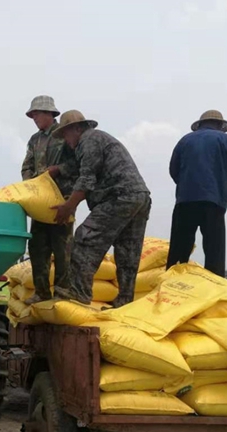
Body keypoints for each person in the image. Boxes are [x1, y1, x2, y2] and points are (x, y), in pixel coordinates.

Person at [48, 110, 151, 308]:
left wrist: (68, 207)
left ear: (76, 129)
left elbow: (86, 179)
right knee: (128, 252)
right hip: (139, 196)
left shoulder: (88, 139)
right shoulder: (97, 140)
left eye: (65, 135)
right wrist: (58, 169)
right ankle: (124, 301)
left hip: (118, 197)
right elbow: (79, 166)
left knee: (85, 238)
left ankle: (79, 293)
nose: (66, 141)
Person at [166, 110, 227, 277]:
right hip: (214, 202)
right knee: (214, 252)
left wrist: (188, 185)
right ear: (220, 125)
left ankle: (170, 282)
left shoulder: (184, 141)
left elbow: (173, 170)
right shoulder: (226, 140)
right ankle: (214, 283)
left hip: (185, 201)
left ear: (200, 125)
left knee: (178, 250)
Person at [20, 95, 74, 305]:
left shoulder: (64, 134)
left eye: (37, 115)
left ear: (49, 114)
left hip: (61, 198)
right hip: (39, 201)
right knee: (37, 246)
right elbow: (27, 166)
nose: (34, 119)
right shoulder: (34, 140)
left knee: (62, 247)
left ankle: (62, 291)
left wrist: (57, 170)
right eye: (32, 115)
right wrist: (30, 183)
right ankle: (41, 292)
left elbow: (76, 163)